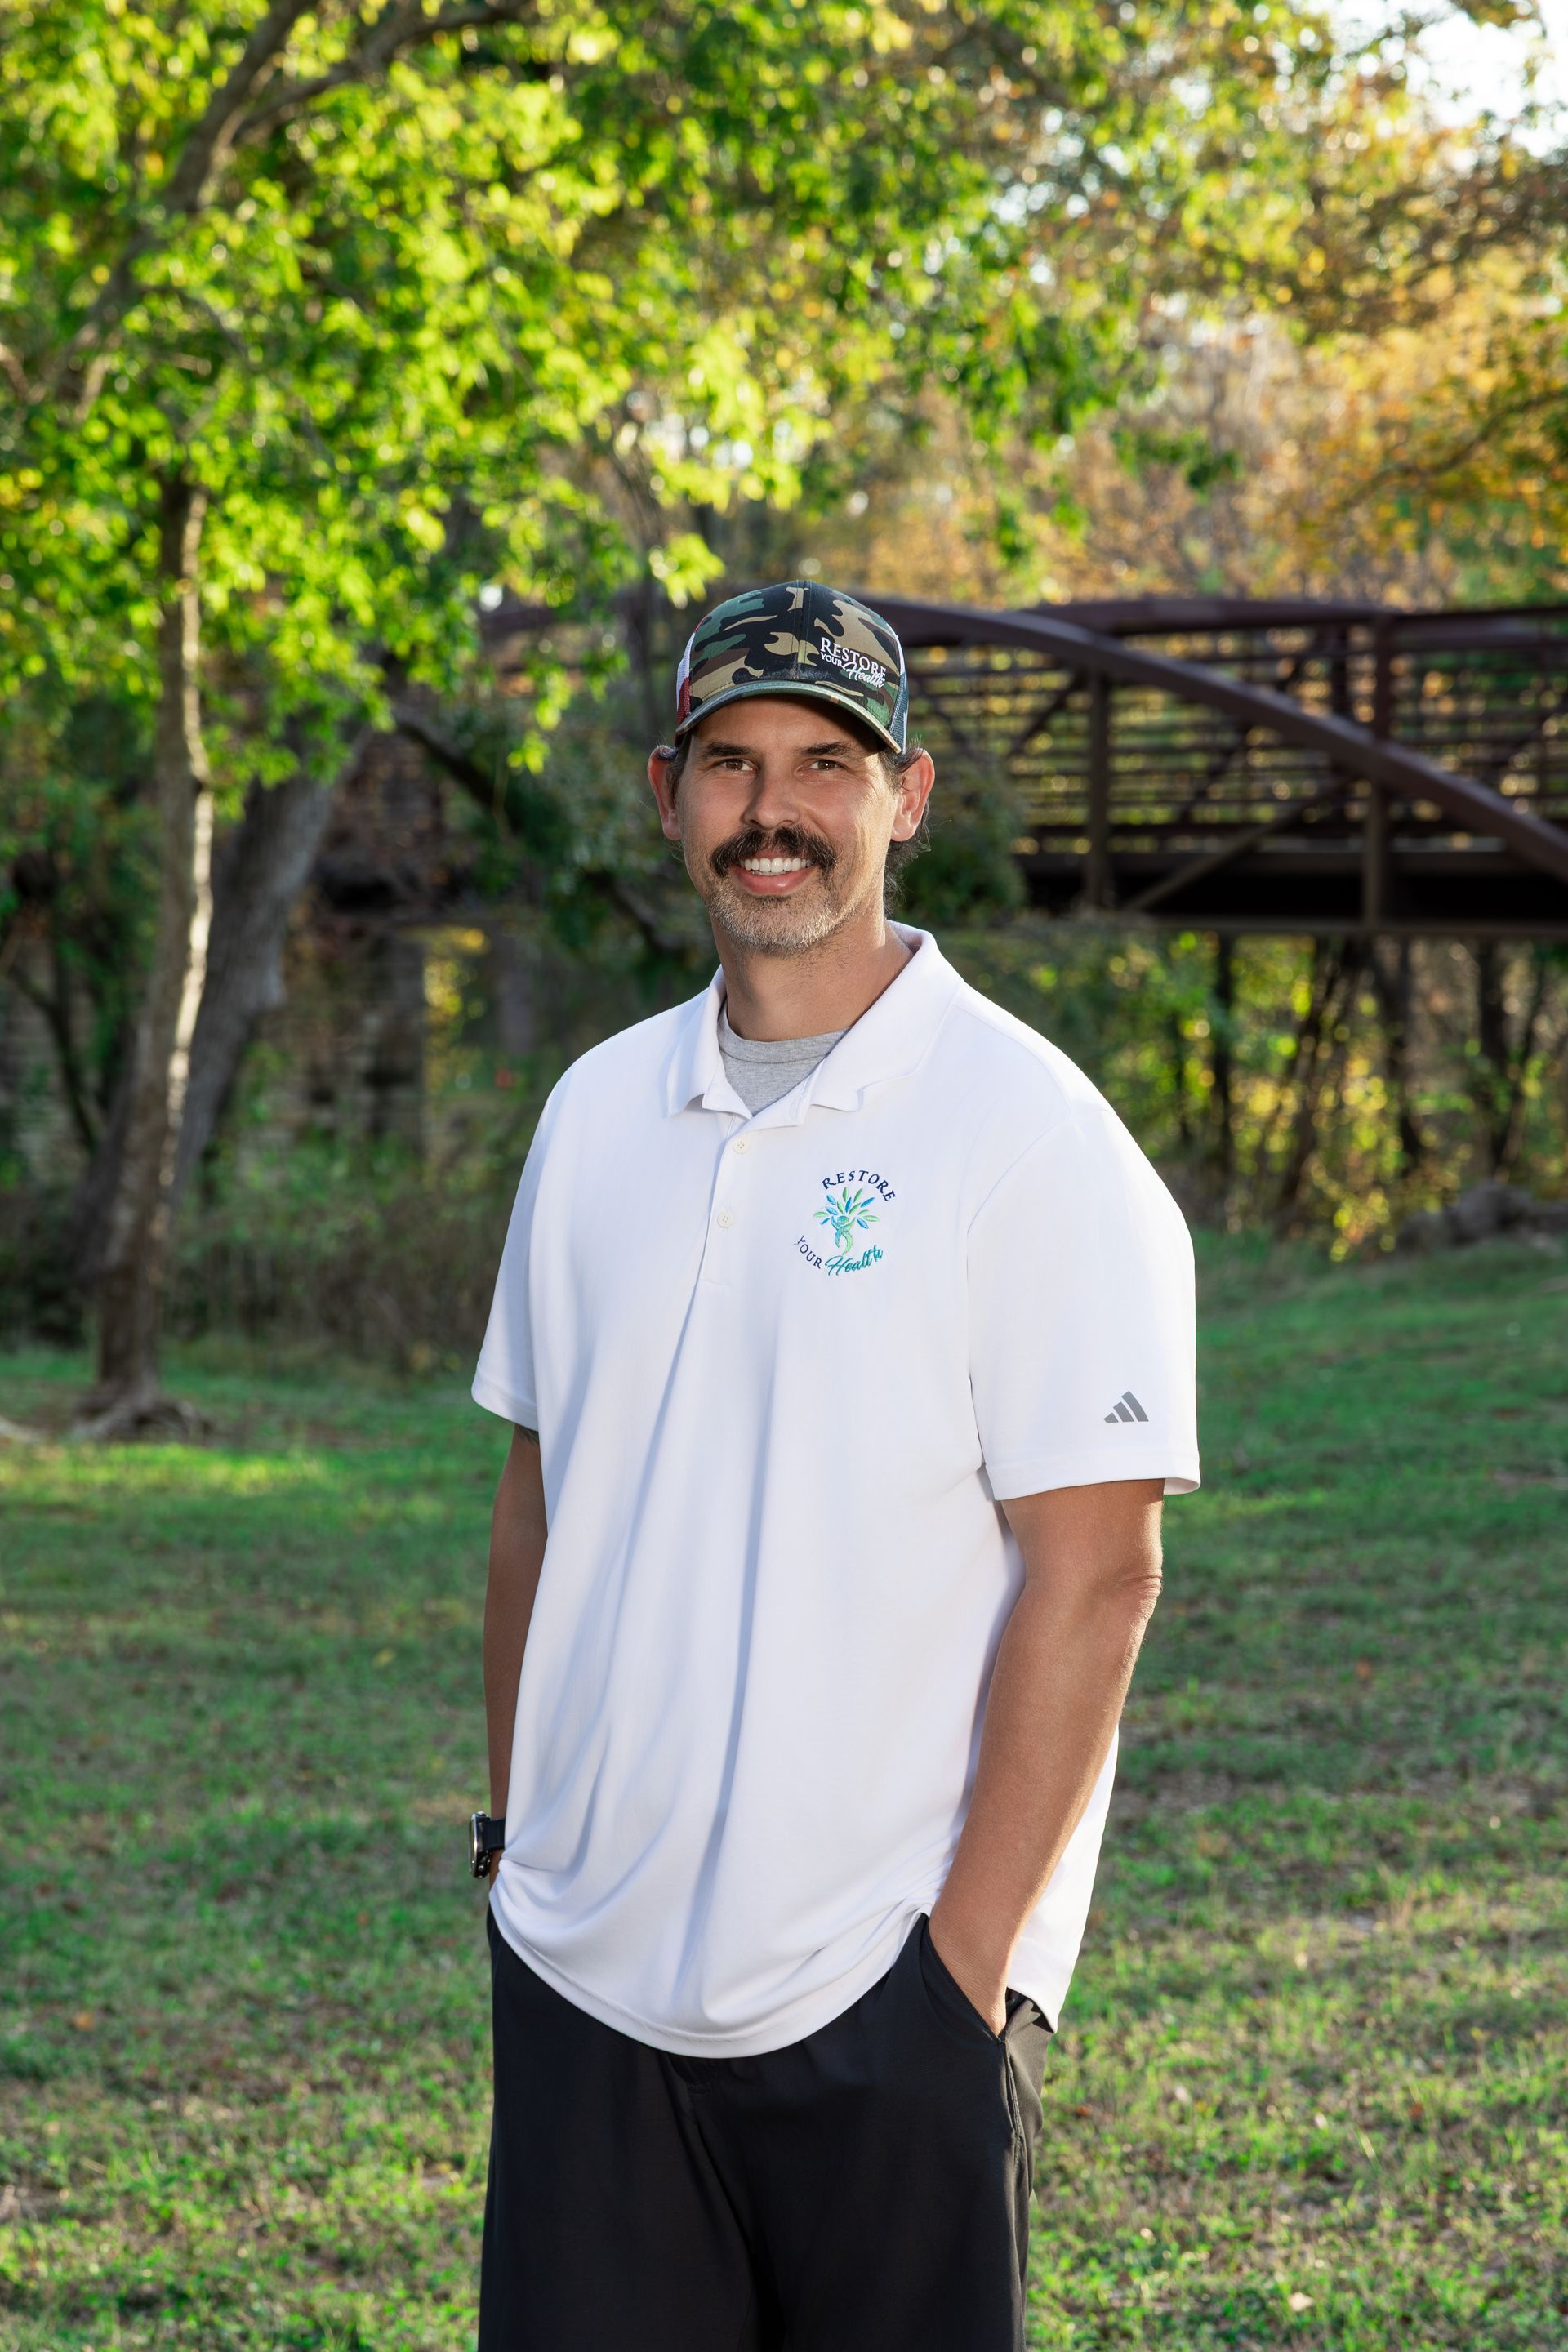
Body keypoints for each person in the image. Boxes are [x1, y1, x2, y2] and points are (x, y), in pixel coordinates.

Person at [469, 579, 1200, 2351]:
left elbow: (1096, 1571)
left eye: (823, 763)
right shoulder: (590, 1116)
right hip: (586, 1981)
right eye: (730, 763)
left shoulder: (1029, 1137)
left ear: (908, 795)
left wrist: (961, 1974)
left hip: (885, 1998)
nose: (771, 809)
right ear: (669, 792)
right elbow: (540, 1504)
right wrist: (518, 1860)